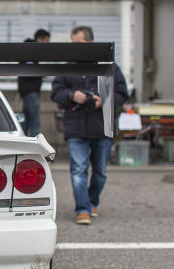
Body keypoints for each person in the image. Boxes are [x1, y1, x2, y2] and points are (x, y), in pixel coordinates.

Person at [51, 26, 129, 225]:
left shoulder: (108, 66)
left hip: (102, 127)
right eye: (73, 43)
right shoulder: (67, 67)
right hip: (75, 128)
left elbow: (122, 93)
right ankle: (83, 209)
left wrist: (104, 100)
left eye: (79, 42)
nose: (75, 47)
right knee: (79, 170)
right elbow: (55, 92)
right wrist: (72, 95)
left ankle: (92, 202)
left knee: (100, 171)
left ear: (91, 43)